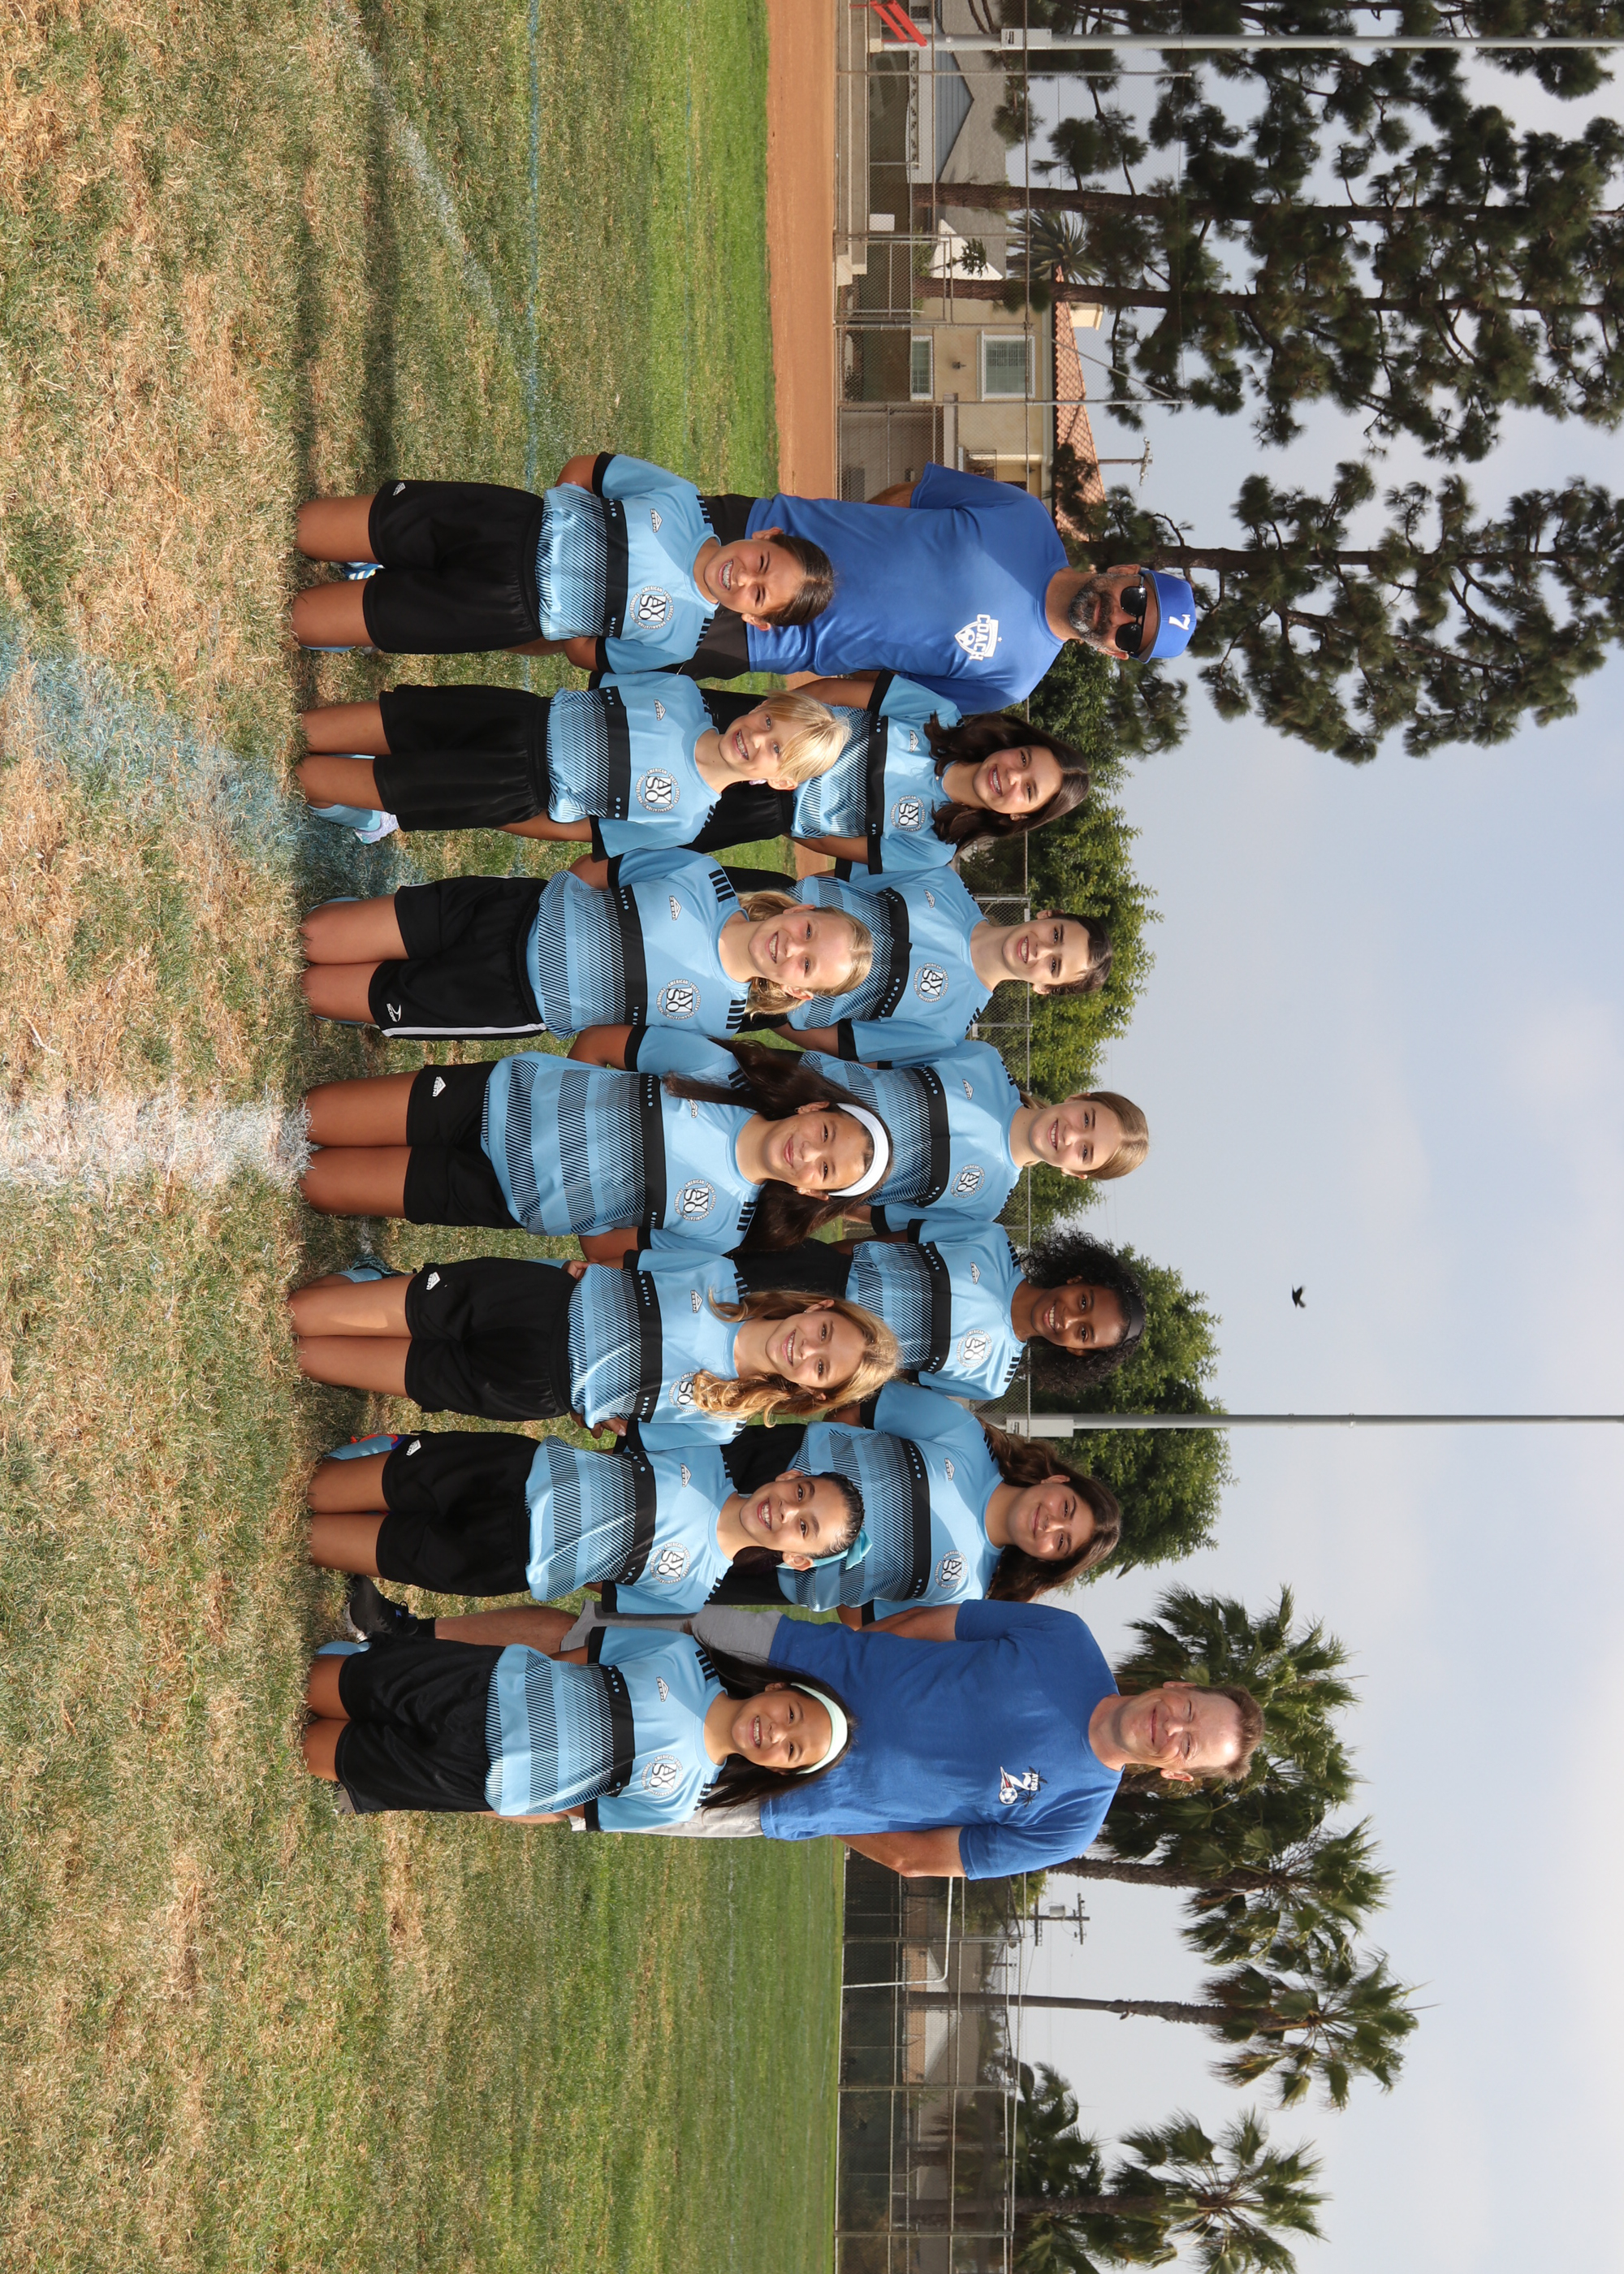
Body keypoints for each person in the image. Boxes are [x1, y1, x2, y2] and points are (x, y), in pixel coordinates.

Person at [550, 1599, 1262, 1877]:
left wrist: (820, 1806)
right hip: (785, 1657)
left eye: (1189, 1745)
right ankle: (472, 1653)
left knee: (590, 1794)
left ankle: (489, 1787)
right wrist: (842, 1664)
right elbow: (931, 1624)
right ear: (1176, 1686)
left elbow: (915, 1858)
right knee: (591, 1645)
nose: (1174, 1728)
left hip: (773, 1794)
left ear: (1178, 1774)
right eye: (1188, 1710)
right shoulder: (1065, 1637)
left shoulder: (1069, 1825)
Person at [570, 457, 1197, 707]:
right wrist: (832, 538)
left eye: (1131, 635)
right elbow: (913, 496)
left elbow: (881, 689)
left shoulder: (1011, 681)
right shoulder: (1025, 516)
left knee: (591, 636)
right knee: (608, 532)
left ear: (1117, 653)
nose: (1119, 617)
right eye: (1134, 601)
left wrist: (801, 696)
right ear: (1127, 573)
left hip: (762, 639)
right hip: (763, 541)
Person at [296, 1031, 895, 1255]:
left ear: (813, 1193)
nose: (809, 1153)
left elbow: (611, 1247)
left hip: (497, 1195)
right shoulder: (719, 1071)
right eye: (825, 1134)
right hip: (491, 1099)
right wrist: (563, 1103)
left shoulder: (725, 1229)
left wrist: (568, 1198)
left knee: (318, 1184)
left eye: (826, 1170)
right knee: (314, 1118)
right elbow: (604, 1045)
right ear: (813, 1108)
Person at [558, 1031, 1147, 1252]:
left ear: (1076, 1173)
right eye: (1087, 1118)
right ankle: (570, 1090)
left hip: (799, 1173)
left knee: (679, 1190)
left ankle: (592, 1215)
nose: (1072, 1135)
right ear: (1079, 1098)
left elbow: (870, 1214)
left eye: (1086, 1151)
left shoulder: (984, 1206)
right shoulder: (985, 1063)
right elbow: (872, 1053)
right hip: (797, 1096)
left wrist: (820, 1198)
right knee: (668, 1092)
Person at [287, 1251, 898, 1442]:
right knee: (303, 1314)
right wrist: (580, 1274)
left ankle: (365, 1285)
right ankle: (369, 1288)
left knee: (309, 1356)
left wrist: (608, 1409)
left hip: (530, 1387)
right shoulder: (716, 1275)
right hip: (532, 1302)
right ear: (818, 1309)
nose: (806, 1350)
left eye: (822, 1367)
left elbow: (628, 1429)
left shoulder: (724, 1423)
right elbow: (621, 1263)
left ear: (812, 1391)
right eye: (824, 1333)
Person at [289, 459, 834, 667]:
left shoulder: (680, 640)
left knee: (302, 620)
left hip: (501, 610)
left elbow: (584, 651)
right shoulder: (681, 499)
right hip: (503, 523)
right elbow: (587, 470)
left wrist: (544, 609)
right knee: (304, 527)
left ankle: (368, 609)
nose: (744, 576)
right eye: (762, 560)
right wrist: (557, 529)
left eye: (759, 593)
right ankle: (382, 564)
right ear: (765, 534)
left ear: (756, 620)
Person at [300, 1619, 853, 1823]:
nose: (777, 1733)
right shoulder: (684, 1656)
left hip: (475, 1776)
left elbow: (577, 1807)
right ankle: (361, 1661)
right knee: (317, 1683)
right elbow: (575, 1660)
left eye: (792, 1749)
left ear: (778, 1771)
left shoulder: (682, 1799)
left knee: (313, 1749)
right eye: (792, 1714)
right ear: (777, 1688)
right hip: (478, 1688)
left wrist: (509, 1799)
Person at [296, 848, 870, 1043]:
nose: (792, 948)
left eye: (808, 965)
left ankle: (372, 996)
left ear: (797, 991)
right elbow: (600, 870)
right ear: (800, 910)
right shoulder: (703, 876)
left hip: (507, 999)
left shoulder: (717, 1020)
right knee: (314, 933)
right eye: (809, 933)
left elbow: (615, 1043)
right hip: (505, 913)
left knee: (312, 988)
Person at [306, 1428, 866, 1620]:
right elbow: (618, 1430)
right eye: (802, 1494)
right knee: (318, 1488)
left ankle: (386, 1495)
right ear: (792, 1475)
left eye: (804, 1529)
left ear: (797, 1560)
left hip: (499, 1559)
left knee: (313, 1540)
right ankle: (395, 1455)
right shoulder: (705, 1447)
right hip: (504, 1473)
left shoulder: (692, 1593)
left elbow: (605, 1588)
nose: (787, 1511)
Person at [704, 1379, 1121, 1618]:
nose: (1050, 1524)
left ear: (1048, 1561)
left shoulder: (965, 1595)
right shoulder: (966, 1437)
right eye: (1066, 1508)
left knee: (669, 1578)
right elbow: (858, 1410)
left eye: (1061, 1541)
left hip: (767, 1570)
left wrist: (832, 1570)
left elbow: (862, 1619)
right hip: (771, 1467)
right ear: (1057, 1480)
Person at [293, 677, 847, 850]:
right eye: (768, 721)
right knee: (312, 729)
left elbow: (575, 829)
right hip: (515, 716)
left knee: (311, 778)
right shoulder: (681, 694)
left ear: (780, 782)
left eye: (777, 749)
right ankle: (358, 795)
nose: (758, 737)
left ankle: (359, 812)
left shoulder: (685, 821)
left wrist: (491, 809)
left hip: (512, 786)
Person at [730, 1221, 1146, 1401]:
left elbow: (895, 1376)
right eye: (1084, 1302)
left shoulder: (992, 1381)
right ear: (1077, 1280)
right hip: (809, 1277)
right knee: (707, 1281)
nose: (1069, 1318)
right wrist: (813, 1263)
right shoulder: (991, 1240)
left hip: (803, 1362)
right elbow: (892, 1240)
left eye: (1084, 1332)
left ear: (1077, 1351)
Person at [745, 864, 1111, 1061]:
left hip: (760, 991)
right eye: (1056, 935)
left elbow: (836, 1042)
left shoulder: (946, 1031)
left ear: (1044, 988)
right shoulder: (943, 880)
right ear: (1048, 915)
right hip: (764, 902)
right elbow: (846, 878)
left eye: (1054, 966)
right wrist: (786, 903)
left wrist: (770, 1009)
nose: (1041, 950)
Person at [782, 672, 1093, 877]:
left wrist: (774, 816)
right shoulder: (940, 715)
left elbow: (826, 844)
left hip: (774, 807)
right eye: (1023, 758)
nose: (1013, 776)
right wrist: (768, 715)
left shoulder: (934, 849)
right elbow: (830, 691)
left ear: (1021, 816)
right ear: (1015, 745)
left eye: (1028, 790)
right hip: (774, 734)